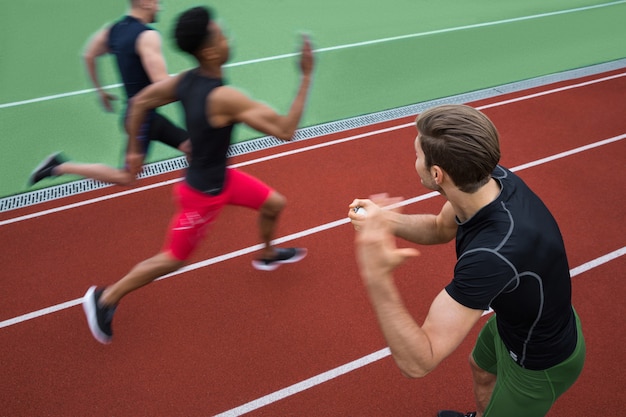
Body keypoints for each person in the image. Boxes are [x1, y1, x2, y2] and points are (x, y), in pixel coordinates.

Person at [83, 5, 313, 344]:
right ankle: (104, 299)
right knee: (172, 259)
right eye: (222, 36)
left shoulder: (186, 80)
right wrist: (306, 75)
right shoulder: (224, 97)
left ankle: (266, 255)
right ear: (209, 50)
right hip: (202, 196)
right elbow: (286, 129)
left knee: (275, 204)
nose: (228, 39)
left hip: (223, 178)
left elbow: (140, 102)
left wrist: (134, 147)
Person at [348, 104, 585, 417]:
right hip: (514, 324)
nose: (414, 160)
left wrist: (377, 277)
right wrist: (383, 219)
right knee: (482, 369)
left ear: (437, 174)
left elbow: (419, 362)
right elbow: (438, 228)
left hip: (538, 362)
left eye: (417, 154)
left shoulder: (492, 256)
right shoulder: (487, 179)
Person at [29, 0, 190, 187]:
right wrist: (193, 81)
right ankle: (59, 166)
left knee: (191, 147)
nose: (159, 7)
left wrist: (100, 91)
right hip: (140, 120)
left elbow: (89, 54)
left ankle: (200, 189)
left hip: (144, 115)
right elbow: (161, 82)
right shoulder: (148, 36)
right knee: (126, 176)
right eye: (157, 2)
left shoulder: (114, 30)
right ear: (145, 3)